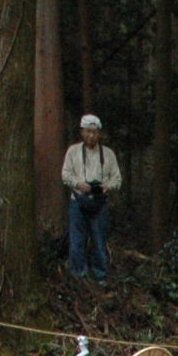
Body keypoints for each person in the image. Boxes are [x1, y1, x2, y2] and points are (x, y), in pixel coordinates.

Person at [62, 114, 121, 280]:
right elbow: (65, 175)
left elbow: (117, 178)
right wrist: (78, 184)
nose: (91, 135)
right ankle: (78, 275)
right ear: (82, 132)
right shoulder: (73, 152)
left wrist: (106, 186)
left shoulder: (108, 154)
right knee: (76, 241)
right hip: (78, 201)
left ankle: (100, 276)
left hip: (100, 203)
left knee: (99, 242)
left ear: (99, 133)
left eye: (94, 132)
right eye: (88, 131)